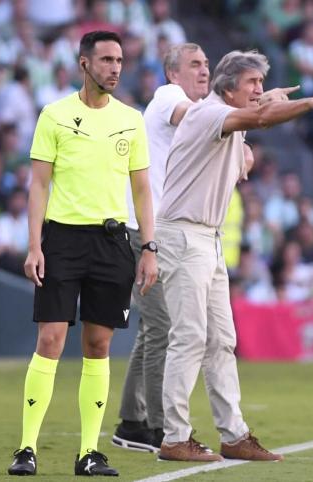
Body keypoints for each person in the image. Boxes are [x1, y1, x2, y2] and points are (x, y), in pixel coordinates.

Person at [155, 49, 313, 462]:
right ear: (228, 89)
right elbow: (258, 116)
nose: (258, 91)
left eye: (261, 83)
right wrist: (311, 103)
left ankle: (234, 434)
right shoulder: (209, 114)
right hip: (184, 235)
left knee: (222, 340)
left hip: (208, 238)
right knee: (189, 337)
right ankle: (174, 436)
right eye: (252, 83)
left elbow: (256, 108)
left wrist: (269, 94)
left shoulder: (227, 108)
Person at [7, 30, 157, 477]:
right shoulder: (54, 115)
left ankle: (89, 452)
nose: (115, 67)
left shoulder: (131, 119)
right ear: (84, 64)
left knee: (99, 345)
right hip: (63, 241)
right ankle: (26, 448)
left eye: (120, 60)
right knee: (50, 340)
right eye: (107, 59)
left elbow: (143, 189)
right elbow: (38, 184)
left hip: (113, 243)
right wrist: (34, 245)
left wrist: (148, 247)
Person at [112, 42, 210, 454]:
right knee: (164, 329)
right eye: (194, 64)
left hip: (149, 229)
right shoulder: (170, 97)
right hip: (144, 232)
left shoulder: (192, 108)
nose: (204, 70)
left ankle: (132, 421)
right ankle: (158, 426)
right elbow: (194, 117)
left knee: (155, 329)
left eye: (206, 63)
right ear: (172, 74)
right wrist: (244, 113)